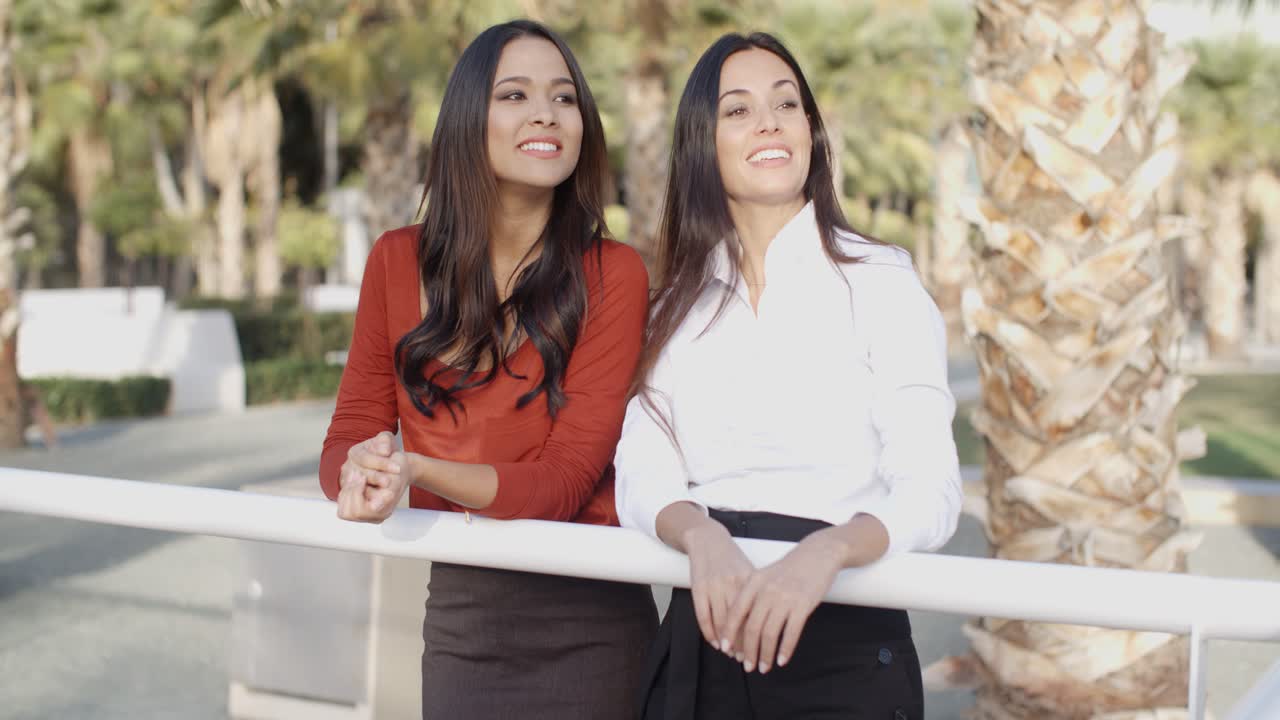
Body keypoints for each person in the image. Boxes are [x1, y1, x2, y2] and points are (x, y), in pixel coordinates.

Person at [615, 32, 963, 720]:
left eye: (787, 103)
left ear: (811, 130)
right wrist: (702, 536)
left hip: (843, 647)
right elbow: (640, 473)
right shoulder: (675, 302)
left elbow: (932, 490)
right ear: (701, 144)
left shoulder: (881, 282)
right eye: (738, 110)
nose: (770, 122)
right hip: (700, 647)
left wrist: (826, 552)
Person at [319, 20, 657, 720]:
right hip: (463, 624)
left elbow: (564, 483)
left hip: (593, 621)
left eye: (565, 99)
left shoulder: (614, 273)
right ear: (470, 118)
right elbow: (348, 436)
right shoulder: (395, 260)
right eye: (515, 95)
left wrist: (417, 471)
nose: (546, 114)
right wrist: (362, 472)